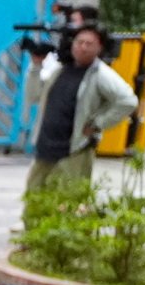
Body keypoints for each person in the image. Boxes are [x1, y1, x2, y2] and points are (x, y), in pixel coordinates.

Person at [27, 19, 135, 200]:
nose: (83, 47)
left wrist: (98, 123)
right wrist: (36, 66)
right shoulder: (60, 70)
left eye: (89, 44)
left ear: (99, 48)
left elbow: (127, 101)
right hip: (46, 145)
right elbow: (34, 96)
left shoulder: (100, 74)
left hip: (75, 148)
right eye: (79, 42)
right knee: (34, 194)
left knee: (68, 200)